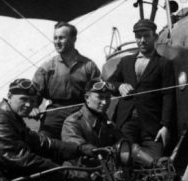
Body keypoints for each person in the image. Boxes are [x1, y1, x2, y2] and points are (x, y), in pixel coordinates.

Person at [106, 18, 176, 160]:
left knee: (154, 162)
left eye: (146, 36)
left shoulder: (164, 64)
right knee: (123, 159)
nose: (142, 40)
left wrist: (165, 126)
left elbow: (168, 95)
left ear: (155, 37)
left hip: (152, 126)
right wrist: (120, 86)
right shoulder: (126, 62)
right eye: (138, 36)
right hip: (126, 122)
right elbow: (109, 83)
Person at [61, 80, 157, 167]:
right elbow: (80, 152)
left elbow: (126, 145)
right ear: (87, 98)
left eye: (107, 98)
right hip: (80, 174)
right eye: (100, 97)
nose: (104, 102)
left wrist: (153, 163)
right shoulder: (72, 122)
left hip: (105, 171)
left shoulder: (107, 122)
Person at [32, 22, 101, 139]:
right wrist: (33, 106)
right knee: (43, 141)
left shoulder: (89, 66)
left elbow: (98, 92)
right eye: (55, 38)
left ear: (73, 39)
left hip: (82, 112)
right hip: (55, 112)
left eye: (61, 38)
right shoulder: (47, 67)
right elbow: (34, 92)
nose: (57, 42)